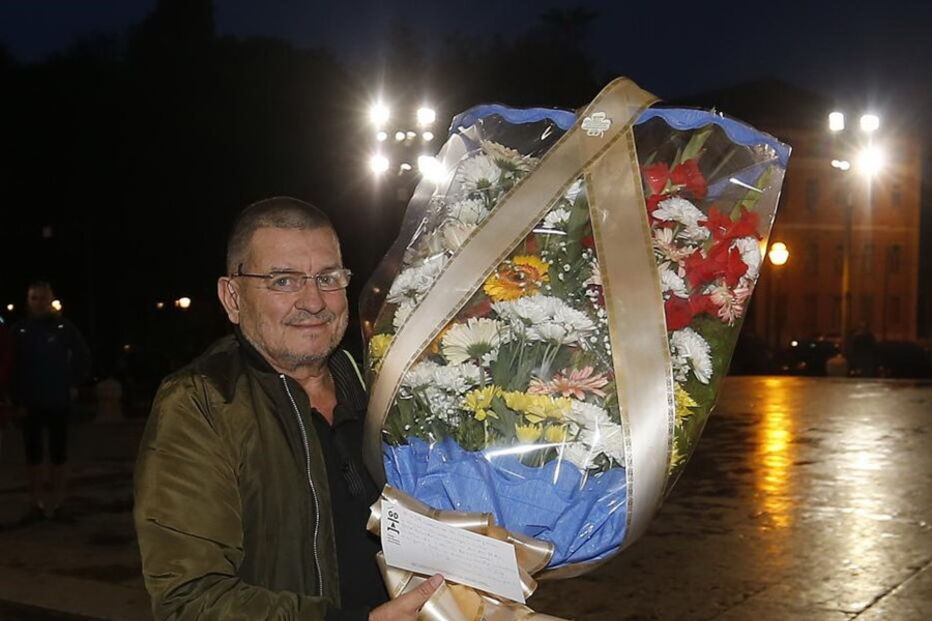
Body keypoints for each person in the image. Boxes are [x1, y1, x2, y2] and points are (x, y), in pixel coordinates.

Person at [134, 197, 442, 620]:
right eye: (284, 281)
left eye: (328, 278)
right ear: (232, 297)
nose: (314, 301)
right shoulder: (202, 403)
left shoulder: (380, 385)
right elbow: (188, 599)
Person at [9, 281, 91, 520]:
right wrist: (15, 397)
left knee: (58, 453)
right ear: (28, 301)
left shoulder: (64, 327)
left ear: (50, 300)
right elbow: (10, 365)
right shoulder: (19, 330)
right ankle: (36, 503)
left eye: (43, 297)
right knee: (33, 454)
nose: (38, 302)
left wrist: (74, 383)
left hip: (58, 399)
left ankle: (57, 503)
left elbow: (83, 356)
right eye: (34, 298)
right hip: (29, 400)